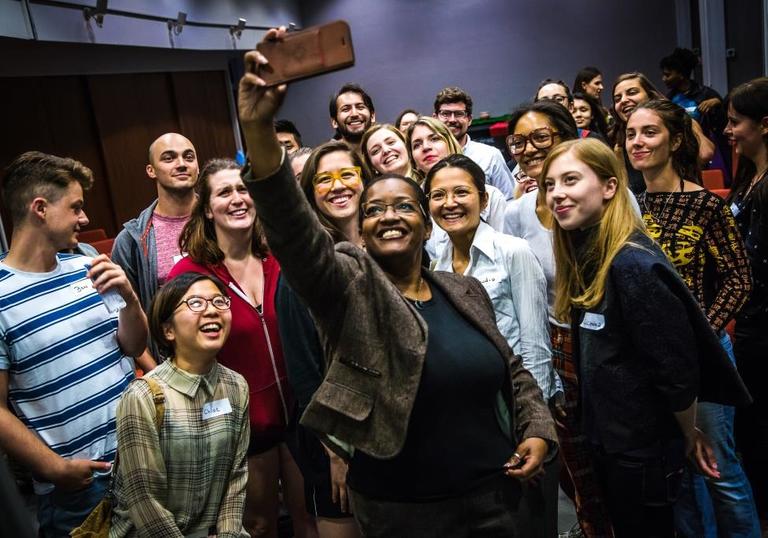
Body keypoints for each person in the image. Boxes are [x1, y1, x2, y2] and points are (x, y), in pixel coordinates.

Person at [238, 29, 558, 537]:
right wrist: (257, 132)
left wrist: (539, 429)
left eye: (404, 205)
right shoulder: (350, 286)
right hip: (407, 510)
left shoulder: (464, 291)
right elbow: (296, 238)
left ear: (427, 224)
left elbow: (514, 371)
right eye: (375, 210)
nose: (389, 216)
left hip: (497, 498)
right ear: (361, 229)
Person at [541, 137, 749, 538]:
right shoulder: (591, 256)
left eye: (570, 179)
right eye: (550, 184)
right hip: (614, 444)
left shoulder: (633, 264)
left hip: (642, 451)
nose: (557, 194)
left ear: (609, 187)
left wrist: (689, 434)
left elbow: (676, 370)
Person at [626, 99, 759, 537]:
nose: (637, 142)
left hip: (704, 355)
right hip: (653, 359)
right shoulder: (628, 209)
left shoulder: (706, 206)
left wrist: (700, 333)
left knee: (719, 468)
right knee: (679, 472)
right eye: (631, 133)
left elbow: (739, 281)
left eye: (649, 132)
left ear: (676, 139)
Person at [0, 151, 147, 536]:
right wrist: (54, 469)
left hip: (145, 457)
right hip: (81, 488)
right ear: (40, 208)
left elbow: (133, 346)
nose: (84, 218)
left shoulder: (88, 266)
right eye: (76, 207)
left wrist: (131, 300)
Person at [167, 159, 313, 538]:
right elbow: (182, 362)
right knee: (257, 526)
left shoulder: (279, 257)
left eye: (243, 189)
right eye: (225, 192)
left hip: (300, 417)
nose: (237, 199)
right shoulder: (189, 275)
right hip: (240, 427)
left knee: (309, 518)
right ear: (207, 207)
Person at [427, 154, 562, 537]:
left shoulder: (513, 251)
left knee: (532, 521)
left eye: (460, 192)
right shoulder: (434, 264)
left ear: (484, 200)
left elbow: (535, 344)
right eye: (438, 195)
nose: (449, 203)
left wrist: (533, 423)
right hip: (470, 417)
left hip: (518, 409)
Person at [504, 101, 613, 537]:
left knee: (618, 459)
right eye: (519, 140)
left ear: (566, 135)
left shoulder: (605, 196)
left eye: (541, 136)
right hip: (556, 344)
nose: (529, 148)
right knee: (575, 466)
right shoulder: (515, 212)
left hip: (608, 343)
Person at [110, 272, 250, 537]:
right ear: (168, 330)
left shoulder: (236, 386)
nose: (211, 311)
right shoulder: (143, 397)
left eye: (219, 302)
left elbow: (236, 477)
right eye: (196, 303)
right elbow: (145, 502)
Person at [277, 141, 368, 538]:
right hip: (335, 437)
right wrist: (336, 450)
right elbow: (305, 373)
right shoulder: (301, 268)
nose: (338, 186)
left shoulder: (391, 247)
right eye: (323, 179)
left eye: (347, 174)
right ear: (309, 193)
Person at [111, 132, 200, 368]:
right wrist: (157, 375)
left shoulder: (221, 219)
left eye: (188, 157)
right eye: (169, 158)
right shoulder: (131, 240)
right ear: (151, 170)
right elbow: (124, 317)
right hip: (173, 363)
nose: (181, 164)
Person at [725, 77, 768, 530]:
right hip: (752, 327)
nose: (729, 130)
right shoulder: (750, 177)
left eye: (737, 122)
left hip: (762, 328)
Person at [406, 115, 507, 259]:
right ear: (413, 160)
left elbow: (506, 250)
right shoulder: (414, 203)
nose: (426, 147)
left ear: (450, 143)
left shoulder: (489, 194)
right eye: (416, 144)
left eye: (434, 139)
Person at [611, 72, 714, 194]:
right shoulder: (619, 144)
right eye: (617, 99)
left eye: (632, 92)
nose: (623, 100)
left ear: (650, 96)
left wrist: (682, 122)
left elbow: (705, 153)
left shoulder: (679, 122)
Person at [660, 48, 730, 181]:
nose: (664, 79)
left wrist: (718, 104)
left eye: (668, 75)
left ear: (681, 75)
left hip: (707, 156)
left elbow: (724, 124)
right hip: (681, 155)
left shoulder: (707, 95)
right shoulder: (669, 99)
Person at [433, 86, 515, 199]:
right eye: (445, 114)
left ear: (470, 119)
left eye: (459, 114)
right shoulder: (429, 157)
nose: (452, 120)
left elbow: (509, 199)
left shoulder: (490, 156)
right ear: (435, 118)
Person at [329, 83, 375, 149]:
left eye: (360, 107)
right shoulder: (325, 157)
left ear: (372, 116)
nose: (354, 114)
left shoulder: (386, 149)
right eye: (346, 109)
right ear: (334, 122)